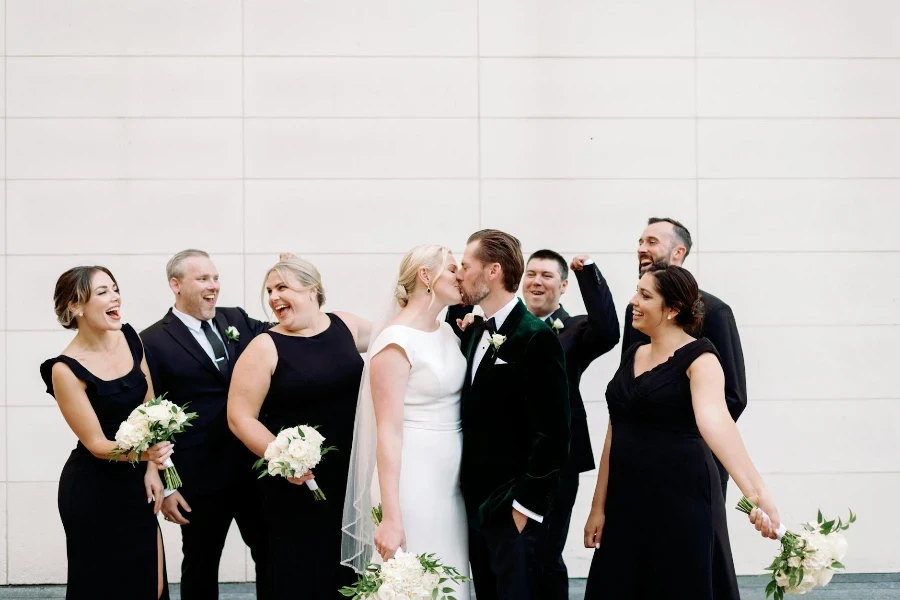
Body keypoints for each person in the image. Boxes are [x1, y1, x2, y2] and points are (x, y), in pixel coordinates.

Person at [583, 263, 779, 600]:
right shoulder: (633, 353)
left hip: (681, 499)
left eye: (645, 295)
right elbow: (615, 431)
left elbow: (717, 423)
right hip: (626, 500)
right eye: (636, 291)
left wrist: (757, 494)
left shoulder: (701, 358)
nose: (633, 300)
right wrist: (598, 506)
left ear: (672, 309)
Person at [448, 249, 619, 599]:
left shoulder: (572, 328)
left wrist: (588, 272)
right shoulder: (483, 328)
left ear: (564, 286)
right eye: (533, 273)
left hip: (551, 466)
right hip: (493, 476)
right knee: (506, 571)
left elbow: (607, 330)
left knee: (542, 558)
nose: (537, 281)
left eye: (547, 276)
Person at [228, 257, 371, 599]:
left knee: (348, 572)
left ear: (312, 290)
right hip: (296, 483)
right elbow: (240, 417)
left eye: (283, 288)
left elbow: (400, 337)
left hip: (351, 476)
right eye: (270, 290)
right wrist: (283, 458)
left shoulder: (346, 326)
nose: (274, 297)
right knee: (302, 572)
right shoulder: (265, 346)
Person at [340, 245, 470, 599]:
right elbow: (388, 431)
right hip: (411, 481)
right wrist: (391, 517)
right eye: (454, 268)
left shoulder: (448, 332)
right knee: (415, 578)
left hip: (450, 482)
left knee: (450, 572)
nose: (462, 276)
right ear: (426, 276)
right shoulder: (394, 341)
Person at [140, 249, 271, 600]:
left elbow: (287, 333)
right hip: (200, 477)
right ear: (176, 284)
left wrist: (291, 277)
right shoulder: (151, 340)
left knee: (272, 555)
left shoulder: (237, 319)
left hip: (253, 468)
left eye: (215, 278)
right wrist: (168, 486)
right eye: (203, 279)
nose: (213, 285)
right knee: (200, 563)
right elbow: (152, 419)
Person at [39, 266, 173, 600]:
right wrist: (146, 456)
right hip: (93, 489)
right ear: (75, 307)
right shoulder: (64, 368)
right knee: (104, 588)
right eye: (103, 292)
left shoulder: (130, 337)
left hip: (137, 480)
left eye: (115, 289)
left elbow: (151, 408)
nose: (115, 297)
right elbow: (97, 444)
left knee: (152, 586)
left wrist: (153, 469)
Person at [454, 229, 570, 600]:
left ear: (493, 271)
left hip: (513, 511)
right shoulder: (474, 333)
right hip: (476, 509)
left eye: (465, 266)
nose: (458, 274)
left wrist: (523, 508)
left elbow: (553, 433)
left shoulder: (536, 337)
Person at [623, 217, 747, 498]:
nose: (642, 248)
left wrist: (677, 439)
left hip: (692, 466)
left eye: (652, 242)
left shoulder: (715, 311)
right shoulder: (634, 311)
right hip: (634, 465)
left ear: (679, 252)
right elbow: (625, 385)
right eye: (640, 242)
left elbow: (733, 396)